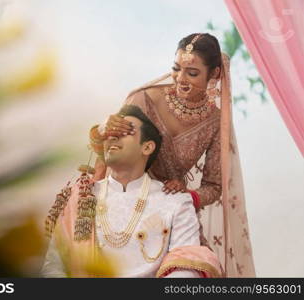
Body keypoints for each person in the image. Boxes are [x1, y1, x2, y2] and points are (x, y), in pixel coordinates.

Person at [88, 33, 255, 277]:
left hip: (168, 210)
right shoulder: (144, 98)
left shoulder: (215, 121)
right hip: (124, 200)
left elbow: (213, 185)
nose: (181, 79)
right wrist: (100, 131)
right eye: (176, 69)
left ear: (215, 74)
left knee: (193, 269)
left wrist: (186, 195)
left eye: (193, 73)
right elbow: (110, 147)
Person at [41, 105, 222, 278]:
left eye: (125, 131)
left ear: (147, 147)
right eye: (110, 132)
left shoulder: (176, 202)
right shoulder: (80, 197)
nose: (112, 137)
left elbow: (185, 269)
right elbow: (54, 266)